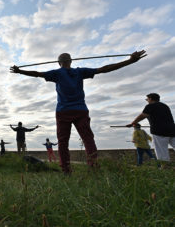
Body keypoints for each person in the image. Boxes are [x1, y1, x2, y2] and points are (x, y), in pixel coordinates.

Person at [11, 50, 146, 173]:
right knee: (88, 139)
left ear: (59, 63)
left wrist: (20, 71)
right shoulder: (80, 72)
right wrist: (130, 61)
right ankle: (93, 167)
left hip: (63, 111)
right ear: (71, 61)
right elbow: (104, 69)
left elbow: (37, 74)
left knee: (63, 142)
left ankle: (66, 170)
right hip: (81, 110)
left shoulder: (57, 73)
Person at [128, 93, 175, 161]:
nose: (147, 100)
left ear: (150, 98)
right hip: (172, 130)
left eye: (147, 99)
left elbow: (143, 115)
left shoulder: (150, 106)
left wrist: (133, 123)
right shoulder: (165, 106)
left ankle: (164, 168)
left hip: (159, 131)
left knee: (161, 151)